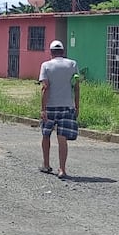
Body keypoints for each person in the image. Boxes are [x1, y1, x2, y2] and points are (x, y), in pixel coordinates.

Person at [39, 39, 80, 178]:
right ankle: (62, 169)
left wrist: (43, 109)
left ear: (50, 52)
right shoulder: (72, 64)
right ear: (63, 52)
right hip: (67, 106)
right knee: (62, 139)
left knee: (46, 135)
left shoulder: (46, 65)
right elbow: (76, 87)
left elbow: (45, 88)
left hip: (50, 106)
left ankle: (46, 164)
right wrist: (77, 106)